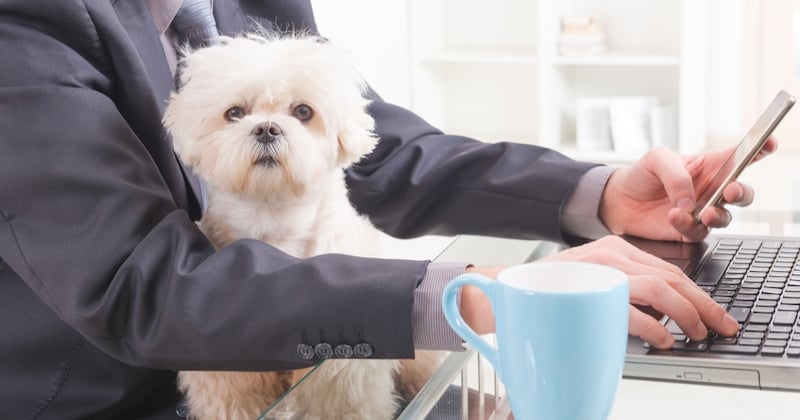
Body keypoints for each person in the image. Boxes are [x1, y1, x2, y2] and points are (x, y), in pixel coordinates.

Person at [0, 1, 771, 418]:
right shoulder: (27, 27)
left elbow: (377, 146)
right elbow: (145, 286)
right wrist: (479, 293)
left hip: (310, 356)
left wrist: (597, 193)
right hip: (113, 396)